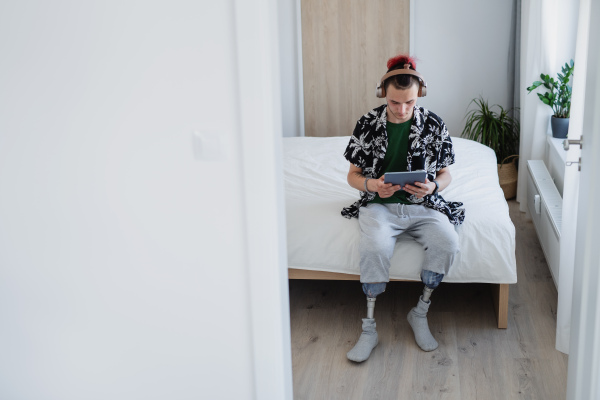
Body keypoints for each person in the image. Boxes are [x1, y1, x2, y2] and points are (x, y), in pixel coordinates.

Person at [341, 54, 465, 362]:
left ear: (419, 94)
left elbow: (446, 174)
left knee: (448, 243)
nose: (402, 110)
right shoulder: (367, 124)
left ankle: (420, 312)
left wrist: (433, 187)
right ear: (383, 93)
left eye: (409, 102)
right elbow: (353, 176)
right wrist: (373, 186)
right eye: (395, 102)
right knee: (374, 250)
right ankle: (369, 329)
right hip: (379, 207)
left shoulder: (434, 124)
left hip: (423, 207)